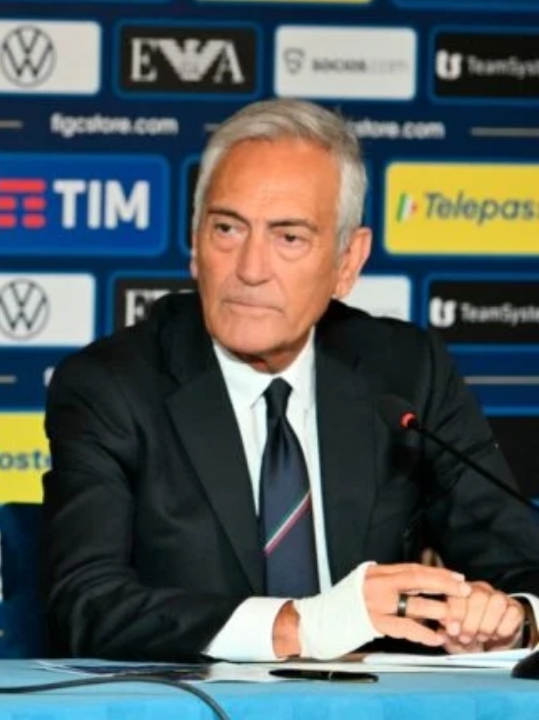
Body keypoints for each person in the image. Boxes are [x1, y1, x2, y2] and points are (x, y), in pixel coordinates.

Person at [42, 98, 539, 663]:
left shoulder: (405, 371)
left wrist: (514, 620)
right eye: (227, 228)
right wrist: (304, 625)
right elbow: (86, 606)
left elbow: (521, 560)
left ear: (348, 262)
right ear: (195, 245)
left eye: (289, 238)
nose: (250, 269)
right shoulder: (111, 386)